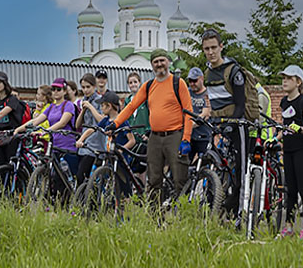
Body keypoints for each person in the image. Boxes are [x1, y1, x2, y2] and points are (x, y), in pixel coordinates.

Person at [112, 49, 193, 202]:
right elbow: (131, 107)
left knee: (179, 179)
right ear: (151, 65)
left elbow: (188, 112)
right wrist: (115, 123)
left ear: (168, 62)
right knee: (154, 180)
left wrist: (186, 139)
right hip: (155, 137)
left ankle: (183, 216)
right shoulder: (149, 86)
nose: (159, 64)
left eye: (162, 60)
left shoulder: (178, 83)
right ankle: (155, 218)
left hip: (175, 135)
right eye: (156, 62)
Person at [202, 28, 247, 214]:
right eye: (206, 49)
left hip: (237, 125)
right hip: (218, 123)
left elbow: (240, 104)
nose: (211, 52)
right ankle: (215, 206)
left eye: (214, 47)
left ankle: (240, 212)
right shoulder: (207, 73)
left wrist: (231, 123)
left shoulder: (233, 71)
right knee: (216, 165)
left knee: (241, 168)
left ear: (221, 47)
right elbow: (212, 103)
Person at [276, 65, 303, 239]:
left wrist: (298, 128)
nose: (284, 81)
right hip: (288, 150)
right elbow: (283, 127)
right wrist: (275, 138)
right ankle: (288, 226)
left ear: (298, 82)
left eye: (288, 78)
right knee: (289, 189)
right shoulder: (284, 102)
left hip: (302, 149)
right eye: (283, 78)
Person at [15, 77, 78, 177]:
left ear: (65, 91)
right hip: (54, 145)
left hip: (67, 146)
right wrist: (19, 129)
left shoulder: (68, 105)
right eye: (53, 89)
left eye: (59, 89)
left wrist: (46, 131)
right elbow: (36, 121)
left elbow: (62, 123)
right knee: (53, 177)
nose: (55, 92)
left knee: (69, 177)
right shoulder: (51, 107)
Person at [73, 73, 104, 185]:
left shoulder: (100, 100)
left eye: (88, 87)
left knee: (83, 175)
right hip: (84, 143)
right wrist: (83, 110)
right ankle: (83, 199)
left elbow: (101, 121)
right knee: (80, 176)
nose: (85, 90)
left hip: (95, 142)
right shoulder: (84, 101)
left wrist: (90, 107)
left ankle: (87, 200)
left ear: (94, 86)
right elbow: (77, 125)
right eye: (83, 87)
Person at [187, 67, 211, 162]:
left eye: (195, 80)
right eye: (190, 81)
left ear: (202, 78)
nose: (192, 84)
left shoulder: (207, 95)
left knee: (202, 164)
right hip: (189, 136)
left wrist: (188, 125)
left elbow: (205, 114)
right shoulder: (187, 92)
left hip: (203, 136)